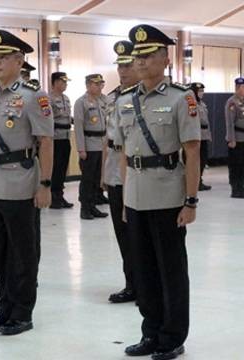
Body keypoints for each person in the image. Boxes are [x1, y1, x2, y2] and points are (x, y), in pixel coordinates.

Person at [118, 24, 200, 360]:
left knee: (171, 270)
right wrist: (124, 198)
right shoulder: (125, 101)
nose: (140, 61)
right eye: (137, 55)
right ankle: (150, 332)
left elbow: (192, 152)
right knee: (144, 269)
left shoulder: (181, 98)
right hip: (136, 195)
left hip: (168, 195)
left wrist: (191, 200)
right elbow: (124, 153)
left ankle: (172, 336)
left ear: (166, 59)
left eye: (148, 55)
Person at [0, 30, 53, 336]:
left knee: (23, 252)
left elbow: (46, 141)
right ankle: (4, 308)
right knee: (0, 252)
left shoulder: (34, 96)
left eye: (3, 57)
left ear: (19, 60)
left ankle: (22, 312)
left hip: (20, 182)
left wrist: (45, 183)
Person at [105, 40, 139, 304]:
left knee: (139, 233)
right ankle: (131, 283)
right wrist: (106, 175)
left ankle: (145, 285)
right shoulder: (112, 97)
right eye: (119, 66)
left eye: (127, 65)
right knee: (122, 232)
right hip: (116, 167)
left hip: (139, 171)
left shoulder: (145, 96)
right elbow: (111, 139)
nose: (123, 71)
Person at [73, 74, 109, 220]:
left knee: (97, 178)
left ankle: (93, 205)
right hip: (89, 145)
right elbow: (78, 127)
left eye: (101, 84)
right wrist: (81, 149)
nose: (100, 86)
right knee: (87, 178)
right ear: (88, 85)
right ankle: (85, 208)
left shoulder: (103, 100)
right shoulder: (81, 102)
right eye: (96, 84)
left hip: (102, 144)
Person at [49, 71, 74, 209]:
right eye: (63, 82)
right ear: (56, 82)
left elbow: (66, 117)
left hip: (65, 137)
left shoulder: (66, 98)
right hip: (55, 138)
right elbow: (47, 119)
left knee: (63, 168)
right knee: (55, 168)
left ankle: (60, 194)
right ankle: (53, 196)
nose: (65, 84)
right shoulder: (48, 98)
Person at [190, 82, 212, 191]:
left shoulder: (202, 104)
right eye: (199, 91)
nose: (202, 93)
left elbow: (206, 122)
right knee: (195, 160)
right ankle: (194, 181)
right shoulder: (190, 104)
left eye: (203, 91)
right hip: (196, 136)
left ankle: (199, 180)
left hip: (204, 135)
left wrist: (209, 136)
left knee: (203, 160)